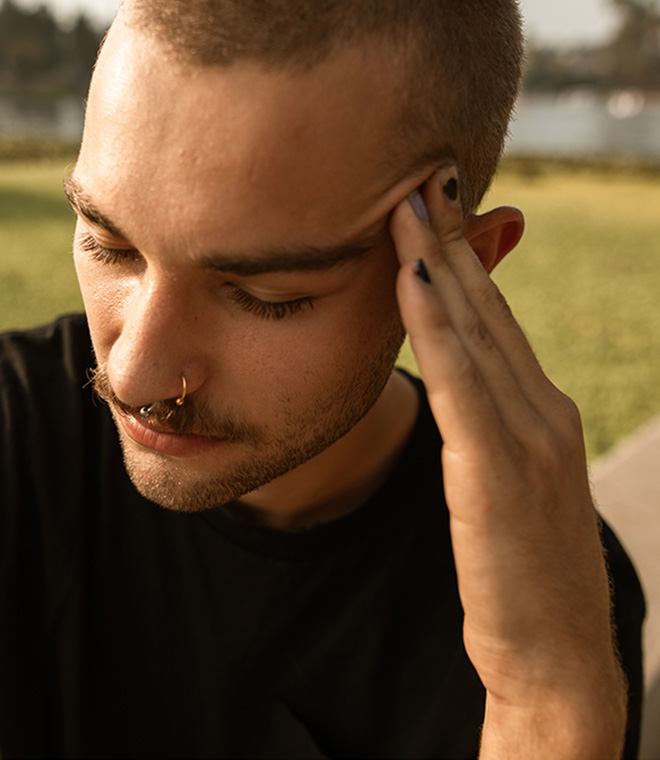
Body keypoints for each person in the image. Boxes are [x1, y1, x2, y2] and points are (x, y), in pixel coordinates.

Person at [0, 0, 645, 757]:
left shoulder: (542, 589)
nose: (135, 374)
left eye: (265, 297)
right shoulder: (17, 435)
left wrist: (548, 703)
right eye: (110, 246)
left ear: (463, 265)